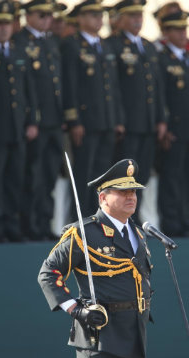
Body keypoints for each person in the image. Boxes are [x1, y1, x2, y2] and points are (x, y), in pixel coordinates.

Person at [38, 158, 152, 358]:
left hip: (135, 338)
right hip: (101, 339)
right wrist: (76, 310)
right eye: (122, 192)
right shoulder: (83, 233)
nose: (131, 197)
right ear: (103, 198)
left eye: (133, 191)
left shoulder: (138, 234)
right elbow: (48, 273)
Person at [0, 1, 39, 242]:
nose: (4, 28)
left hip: (18, 127)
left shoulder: (18, 52)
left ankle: (12, 225)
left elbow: (28, 90)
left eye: (7, 23)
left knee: (15, 179)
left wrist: (32, 120)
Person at [61, 0, 124, 217]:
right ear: (80, 18)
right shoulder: (72, 45)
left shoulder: (104, 45)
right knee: (84, 173)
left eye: (100, 15)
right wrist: (74, 121)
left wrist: (117, 119)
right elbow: (70, 86)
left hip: (106, 119)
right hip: (86, 121)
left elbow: (113, 87)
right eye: (92, 15)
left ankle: (97, 217)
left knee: (102, 174)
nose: (98, 19)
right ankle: (80, 218)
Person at [107, 0, 167, 223]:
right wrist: (118, 119)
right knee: (124, 176)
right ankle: (118, 217)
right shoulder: (113, 45)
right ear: (120, 19)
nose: (137, 20)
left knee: (142, 175)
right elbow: (113, 87)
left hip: (148, 122)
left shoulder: (147, 46)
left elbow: (157, 86)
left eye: (139, 15)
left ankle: (134, 216)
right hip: (129, 122)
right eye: (132, 16)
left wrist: (161, 118)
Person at [13, 0, 65, 240]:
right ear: (28, 16)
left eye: (49, 15)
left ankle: (44, 223)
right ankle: (29, 224)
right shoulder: (20, 41)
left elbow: (58, 82)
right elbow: (26, 86)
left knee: (49, 175)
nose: (46, 20)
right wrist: (31, 119)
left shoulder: (50, 41)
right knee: (32, 175)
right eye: (41, 15)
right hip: (36, 121)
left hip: (54, 120)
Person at [156, 9, 189, 237]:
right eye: (177, 29)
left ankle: (186, 219)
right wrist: (165, 124)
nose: (182, 34)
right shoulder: (162, 58)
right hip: (175, 128)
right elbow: (161, 95)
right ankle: (171, 221)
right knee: (172, 177)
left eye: (184, 29)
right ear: (167, 32)